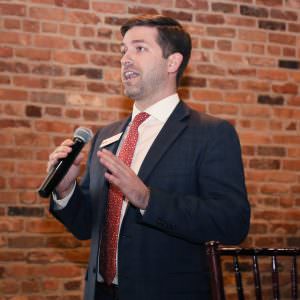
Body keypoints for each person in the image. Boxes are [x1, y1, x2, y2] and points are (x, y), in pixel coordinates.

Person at [47, 14, 250, 300]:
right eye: (123, 51)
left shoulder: (211, 133)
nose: (125, 59)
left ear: (172, 62)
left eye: (139, 49)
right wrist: (65, 189)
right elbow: (85, 227)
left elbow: (232, 223)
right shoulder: (106, 136)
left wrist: (148, 200)